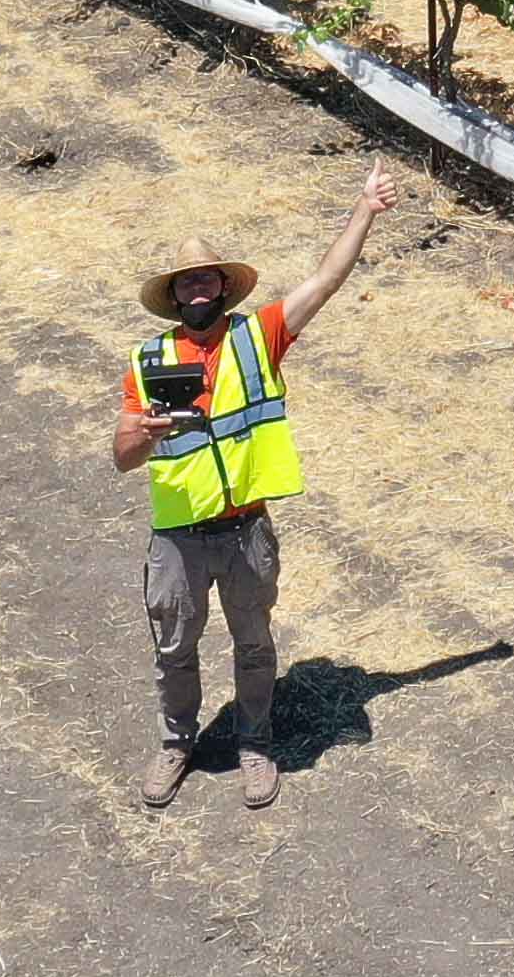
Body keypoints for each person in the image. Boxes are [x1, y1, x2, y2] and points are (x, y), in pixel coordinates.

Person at [113, 167, 402, 811]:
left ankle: (254, 744)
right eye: (186, 281)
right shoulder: (150, 361)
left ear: (222, 287)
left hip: (245, 529)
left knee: (253, 642)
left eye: (207, 278)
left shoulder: (258, 336)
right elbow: (122, 458)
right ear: (175, 294)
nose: (197, 288)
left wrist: (364, 210)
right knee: (174, 648)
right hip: (178, 537)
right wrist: (149, 432)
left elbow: (325, 282)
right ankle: (176, 744)